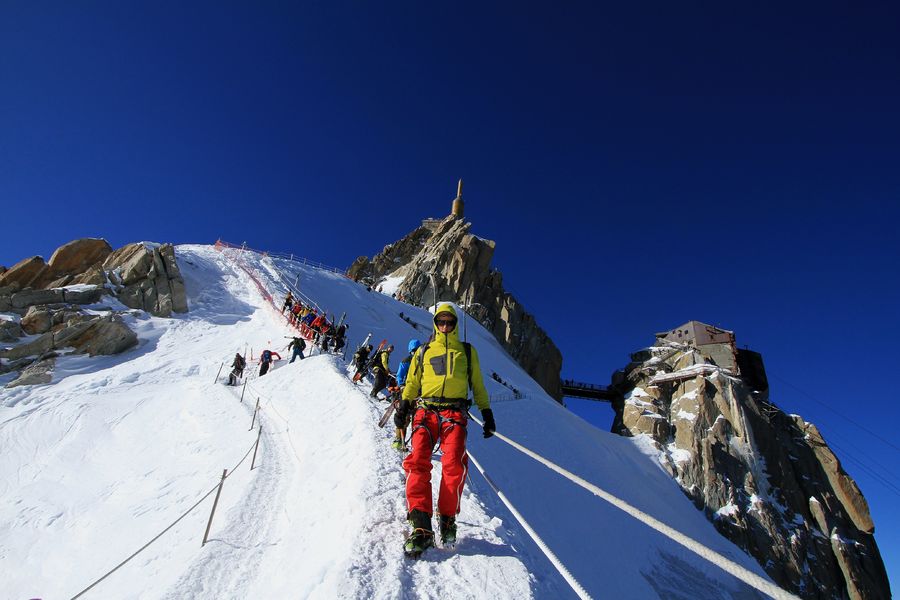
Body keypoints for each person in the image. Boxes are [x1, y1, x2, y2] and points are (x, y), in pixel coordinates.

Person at [395, 303, 495, 556]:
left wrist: (487, 412)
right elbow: (413, 381)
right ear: (435, 324)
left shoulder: (467, 352)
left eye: (450, 322)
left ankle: (448, 518)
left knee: (454, 465)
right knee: (417, 461)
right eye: (441, 322)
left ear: (456, 325)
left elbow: (478, 385)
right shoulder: (424, 351)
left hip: (454, 414)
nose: (445, 326)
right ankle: (421, 525)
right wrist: (405, 404)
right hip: (425, 411)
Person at [391, 339, 421, 450]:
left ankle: (417, 442)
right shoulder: (406, 361)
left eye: (417, 350)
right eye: (413, 350)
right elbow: (399, 375)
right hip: (407, 392)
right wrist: (402, 385)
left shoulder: (423, 361)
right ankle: (398, 439)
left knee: (419, 418)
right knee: (404, 417)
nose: (415, 352)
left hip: (420, 394)